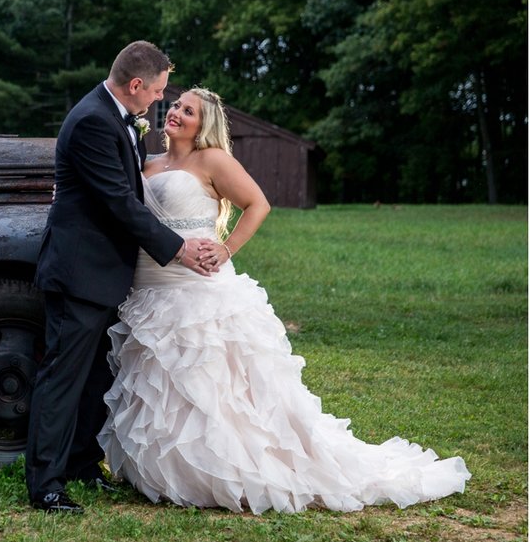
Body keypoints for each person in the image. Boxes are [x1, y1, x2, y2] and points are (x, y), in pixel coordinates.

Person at [97, 86, 471, 514]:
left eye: (189, 111)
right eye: (177, 106)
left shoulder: (213, 160)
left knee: (211, 384)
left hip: (197, 289)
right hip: (149, 288)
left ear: (205, 125)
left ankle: (226, 468)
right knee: (161, 381)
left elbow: (258, 203)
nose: (177, 113)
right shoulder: (148, 163)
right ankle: (169, 471)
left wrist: (226, 248)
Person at [25, 42, 218, 514]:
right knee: (62, 379)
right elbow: (118, 200)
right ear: (136, 85)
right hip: (79, 273)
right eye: (156, 91)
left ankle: (82, 465)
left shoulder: (117, 117)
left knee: (94, 378)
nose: (158, 100)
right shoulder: (93, 120)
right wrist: (177, 248)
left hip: (103, 273)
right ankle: (46, 485)